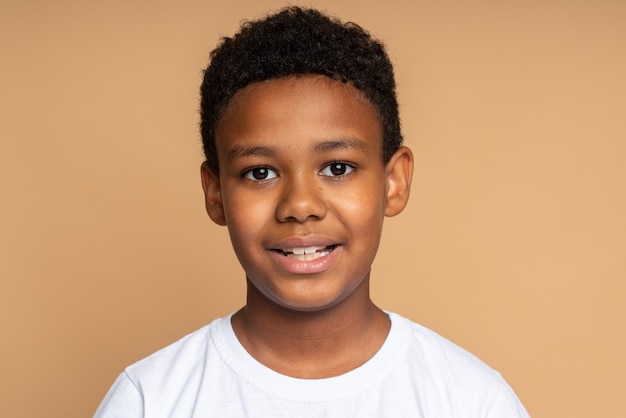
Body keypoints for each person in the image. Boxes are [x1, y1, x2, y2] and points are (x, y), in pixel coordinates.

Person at [95, 6, 529, 417]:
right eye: (260, 172)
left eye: (337, 168)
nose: (300, 205)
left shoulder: (471, 400)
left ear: (394, 181)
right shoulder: (150, 400)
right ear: (215, 194)